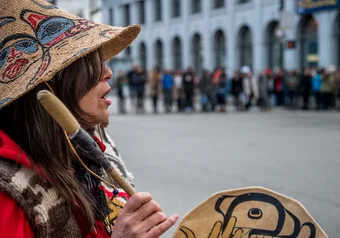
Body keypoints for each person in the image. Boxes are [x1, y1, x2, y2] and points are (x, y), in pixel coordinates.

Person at [0, 0, 178, 237]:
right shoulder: (8, 193)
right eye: (89, 62)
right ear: (51, 84)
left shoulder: (88, 154)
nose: (108, 72)